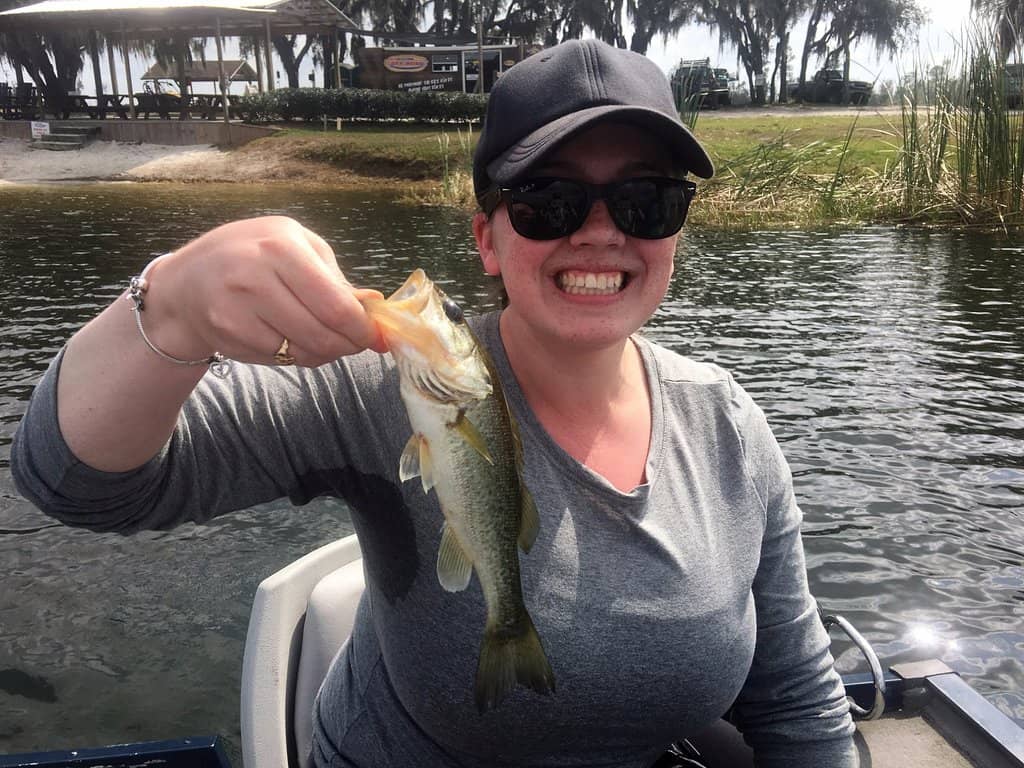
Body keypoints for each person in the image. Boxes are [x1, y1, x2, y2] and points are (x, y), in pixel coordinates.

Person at [12, 39, 856, 768]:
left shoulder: (729, 424)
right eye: (548, 201)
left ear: (677, 229)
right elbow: (78, 483)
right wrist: (170, 307)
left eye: (647, 200)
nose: (600, 232)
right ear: (487, 237)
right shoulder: (383, 385)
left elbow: (795, 697)